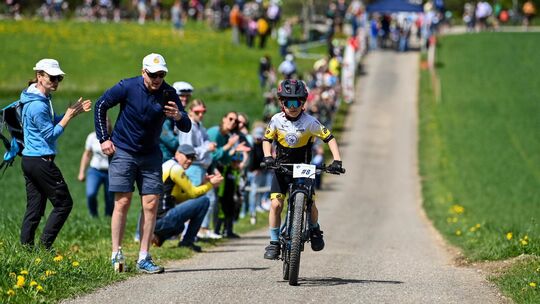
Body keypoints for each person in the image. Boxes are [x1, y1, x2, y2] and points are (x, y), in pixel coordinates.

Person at [94, 53, 191, 274]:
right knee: (123, 202)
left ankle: (144, 257)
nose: (157, 78)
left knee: (151, 204)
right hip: (124, 150)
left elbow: (186, 125)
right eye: (153, 74)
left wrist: (178, 116)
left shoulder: (168, 92)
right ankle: (116, 254)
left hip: (150, 154)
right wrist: (103, 138)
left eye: (161, 74)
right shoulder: (127, 87)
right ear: (143, 72)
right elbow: (101, 105)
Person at [262, 79, 343, 260]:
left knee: (310, 203)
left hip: (303, 167)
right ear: (282, 103)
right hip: (281, 167)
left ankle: (315, 229)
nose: (293, 106)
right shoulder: (276, 120)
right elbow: (266, 140)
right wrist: (268, 157)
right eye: (288, 102)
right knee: (276, 204)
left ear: (303, 103)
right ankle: (274, 242)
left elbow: (329, 138)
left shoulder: (310, 122)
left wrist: (337, 160)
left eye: (297, 102)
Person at [20, 58, 92, 249]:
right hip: (41, 161)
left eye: (58, 78)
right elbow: (50, 135)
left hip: (30, 160)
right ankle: (44, 248)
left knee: (34, 209)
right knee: (64, 204)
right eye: (52, 77)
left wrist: (71, 113)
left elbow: (49, 122)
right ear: (40, 76)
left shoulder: (37, 98)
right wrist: (68, 117)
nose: (56, 81)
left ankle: (25, 250)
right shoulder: (37, 105)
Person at [152, 144, 223, 251]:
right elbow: (193, 193)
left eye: (192, 158)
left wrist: (204, 183)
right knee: (204, 201)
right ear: (177, 154)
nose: (189, 160)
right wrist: (210, 184)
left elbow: (180, 198)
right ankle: (187, 241)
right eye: (187, 156)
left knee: (181, 225)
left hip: (154, 220)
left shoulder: (169, 165)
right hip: (161, 219)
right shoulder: (175, 168)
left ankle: (157, 237)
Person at [78, 116, 114, 217]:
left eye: (106, 121)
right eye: (102, 122)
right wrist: (81, 172)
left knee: (110, 198)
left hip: (110, 172)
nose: (105, 124)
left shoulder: (114, 137)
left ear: (110, 123)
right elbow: (87, 154)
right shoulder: (92, 137)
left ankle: (108, 217)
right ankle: (93, 215)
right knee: (91, 193)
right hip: (95, 170)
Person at [179, 99, 216, 187]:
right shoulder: (189, 127)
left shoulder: (199, 124)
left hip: (200, 168)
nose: (201, 114)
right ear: (190, 111)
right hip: (193, 168)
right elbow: (187, 151)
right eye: (197, 112)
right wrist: (207, 148)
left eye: (203, 112)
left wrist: (209, 145)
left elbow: (205, 140)